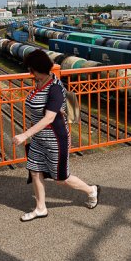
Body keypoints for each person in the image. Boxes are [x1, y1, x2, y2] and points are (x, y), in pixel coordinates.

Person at [13, 49, 100, 222]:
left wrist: (25, 135)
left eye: (31, 70)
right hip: (39, 139)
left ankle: (91, 190)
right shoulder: (40, 82)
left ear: (38, 69)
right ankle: (40, 208)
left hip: (55, 140)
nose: (30, 73)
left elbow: (49, 118)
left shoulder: (55, 88)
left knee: (61, 178)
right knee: (35, 171)